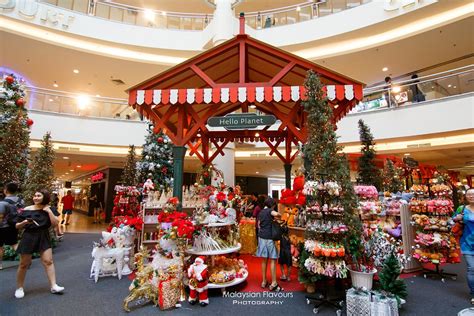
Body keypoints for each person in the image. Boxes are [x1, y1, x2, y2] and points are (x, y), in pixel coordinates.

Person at [14, 189, 64, 298]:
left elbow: (55, 223)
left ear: (44, 197)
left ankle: (53, 285)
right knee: (24, 264)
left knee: (48, 261)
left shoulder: (50, 209)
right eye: (35, 195)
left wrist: (49, 211)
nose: (35, 197)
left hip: (43, 236)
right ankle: (19, 288)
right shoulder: (27, 209)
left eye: (39, 195)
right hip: (28, 236)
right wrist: (24, 222)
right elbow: (17, 226)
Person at [453, 188, 474, 304]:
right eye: (469, 194)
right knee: (472, 269)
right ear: (466, 197)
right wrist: (457, 218)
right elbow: (453, 220)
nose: (471, 196)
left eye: (473, 194)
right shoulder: (462, 209)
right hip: (467, 243)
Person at [256, 197, 282, 292]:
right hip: (269, 238)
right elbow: (277, 214)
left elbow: (259, 224)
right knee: (273, 260)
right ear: (272, 205)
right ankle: (274, 282)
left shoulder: (261, 212)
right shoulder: (270, 211)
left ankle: (264, 281)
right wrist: (278, 215)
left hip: (261, 237)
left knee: (264, 260)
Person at [0, 182, 24, 269]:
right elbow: (21, 212)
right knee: (14, 244)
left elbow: (1, 216)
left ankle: (0, 265)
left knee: (0, 246)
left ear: (6, 190)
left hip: (3, 227)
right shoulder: (21, 201)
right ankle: (25, 261)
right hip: (15, 225)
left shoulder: (3, 202)